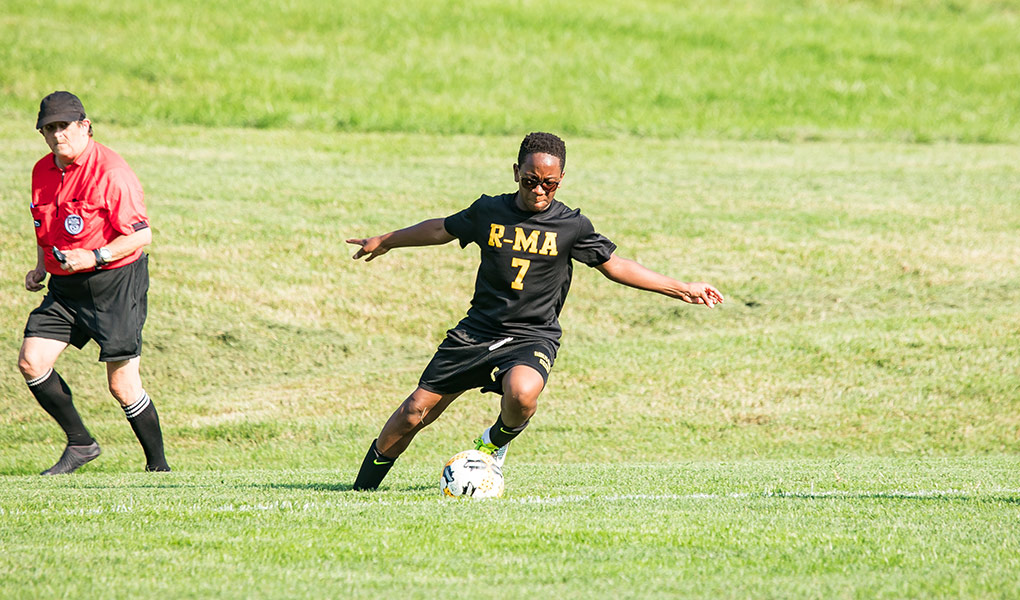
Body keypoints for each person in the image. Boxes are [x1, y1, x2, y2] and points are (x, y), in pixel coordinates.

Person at [346, 132, 724, 490]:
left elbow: (615, 265)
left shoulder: (571, 225)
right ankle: (360, 490)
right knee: (414, 412)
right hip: (476, 332)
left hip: (531, 335)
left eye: (550, 183)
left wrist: (681, 288)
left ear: (561, 180)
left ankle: (492, 445)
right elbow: (440, 229)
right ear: (516, 173)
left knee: (523, 393)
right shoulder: (488, 211)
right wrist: (387, 240)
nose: (539, 190)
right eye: (530, 181)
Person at [18, 91, 170, 475]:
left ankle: (159, 467)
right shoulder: (42, 171)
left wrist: (96, 256)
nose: (57, 135)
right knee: (32, 362)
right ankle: (81, 443)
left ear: (84, 126)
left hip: (115, 283)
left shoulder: (112, 172)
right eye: (48, 129)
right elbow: (45, 225)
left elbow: (141, 236)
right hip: (67, 287)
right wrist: (41, 266)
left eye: (63, 126)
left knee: (122, 385)